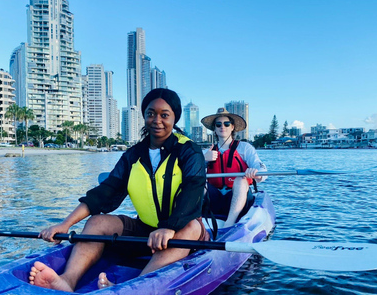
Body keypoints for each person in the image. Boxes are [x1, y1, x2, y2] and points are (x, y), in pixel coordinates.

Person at [28, 88, 208, 292]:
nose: (157, 120)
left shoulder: (189, 151)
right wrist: (65, 224)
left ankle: (135, 287)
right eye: (150, 114)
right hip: (145, 232)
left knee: (192, 226)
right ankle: (67, 280)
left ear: (174, 118)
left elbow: (193, 192)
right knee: (97, 221)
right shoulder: (133, 155)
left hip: (181, 233)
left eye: (164, 115)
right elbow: (105, 192)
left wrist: (170, 227)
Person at [201, 107, 267, 228]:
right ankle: (194, 222)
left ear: (232, 127)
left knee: (240, 179)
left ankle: (229, 224)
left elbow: (261, 169)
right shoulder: (207, 152)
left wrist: (256, 173)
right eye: (218, 124)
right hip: (214, 198)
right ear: (214, 129)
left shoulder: (245, 148)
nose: (222, 127)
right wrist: (203, 160)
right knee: (197, 181)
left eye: (227, 124)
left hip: (238, 196)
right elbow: (190, 173)